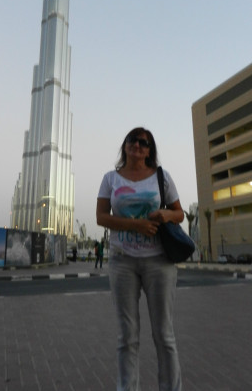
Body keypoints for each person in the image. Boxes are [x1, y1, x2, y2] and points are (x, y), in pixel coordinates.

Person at [96, 127, 183, 391]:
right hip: (122, 261)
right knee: (127, 337)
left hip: (159, 261)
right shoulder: (110, 179)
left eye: (144, 143)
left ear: (149, 150)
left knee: (164, 335)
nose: (137, 145)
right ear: (125, 146)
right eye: (132, 140)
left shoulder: (161, 177)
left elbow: (179, 214)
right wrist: (137, 226)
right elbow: (101, 217)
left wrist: (166, 215)